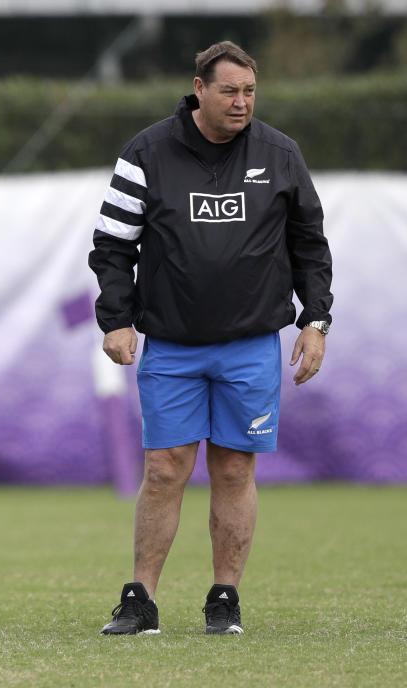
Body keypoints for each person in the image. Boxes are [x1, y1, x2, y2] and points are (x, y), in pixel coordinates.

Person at [89, 41, 333, 636]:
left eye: (249, 92)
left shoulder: (280, 154)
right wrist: (115, 319)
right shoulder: (146, 152)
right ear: (199, 88)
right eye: (229, 91)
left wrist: (315, 320)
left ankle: (225, 599)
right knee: (166, 468)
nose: (241, 102)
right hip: (171, 345)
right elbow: (113, 248)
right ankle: (140, 599)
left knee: (233, 471)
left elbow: (310, 245)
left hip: (250, 345)